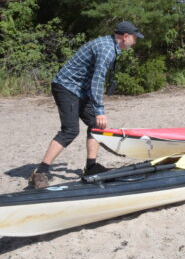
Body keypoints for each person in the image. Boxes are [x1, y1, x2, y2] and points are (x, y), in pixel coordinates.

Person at [29, 21, 144, 189]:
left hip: (80, 90)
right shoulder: (106, 49)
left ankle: (91, 167)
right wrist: (99, 109)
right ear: (125, 37)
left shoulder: (110, 45)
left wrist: (97, 112)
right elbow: (97, 80)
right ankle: (41, 172)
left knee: (96, 125)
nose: (135, 41)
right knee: (70, 130)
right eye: (135, 38)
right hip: (66, 87)